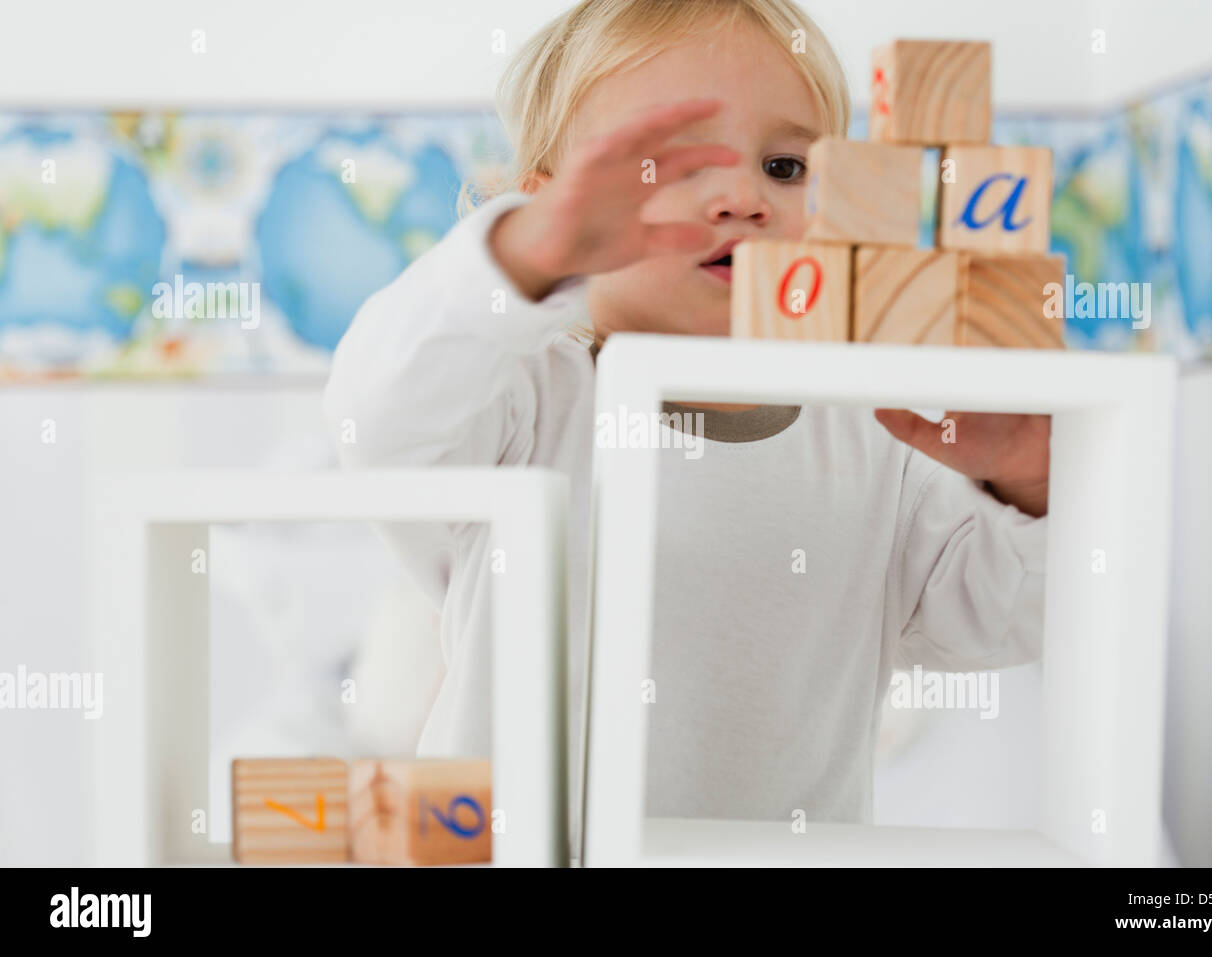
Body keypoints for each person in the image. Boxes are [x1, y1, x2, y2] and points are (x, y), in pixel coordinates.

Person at [323, 0, 1050, 840]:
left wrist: (1027, 484)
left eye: (785, 166)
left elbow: (1002, 615)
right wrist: (525, 256)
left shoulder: (877, 434)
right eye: (668, 166)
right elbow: (378, 414)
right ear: (554, 214)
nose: (742, 196)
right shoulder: (522, 407)